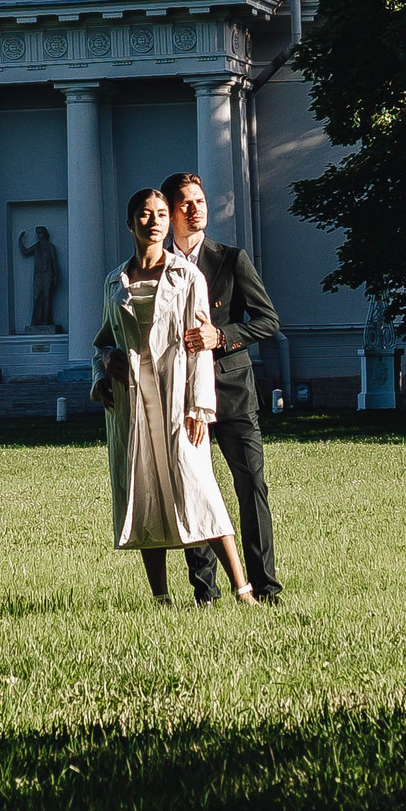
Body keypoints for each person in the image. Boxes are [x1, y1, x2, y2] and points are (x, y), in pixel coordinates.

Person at [95, 187, 257, 604]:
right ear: (130, 223)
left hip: (178, 397)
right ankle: (160, 597)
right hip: (131, 401)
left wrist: (200, 406)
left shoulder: (187, 277)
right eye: (145, 215)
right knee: (144, 489)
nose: (154, 222)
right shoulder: (115, 281)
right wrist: (103, 368)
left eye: (162, 215)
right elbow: (103, 341)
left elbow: (199, 347)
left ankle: (243, 589)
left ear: (170, 223)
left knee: (197, 487)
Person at [161, 172, 285, 604]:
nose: (197, 210)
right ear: (171, 213)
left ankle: (266, 588)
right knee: (194, 492)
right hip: (179, 398)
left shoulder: (231, 259)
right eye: (186, 204)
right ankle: (205, 592)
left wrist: (223, 336)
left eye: (201, 201)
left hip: (232, 392)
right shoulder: (156, 268)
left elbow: (268, 321)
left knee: (251, 488)